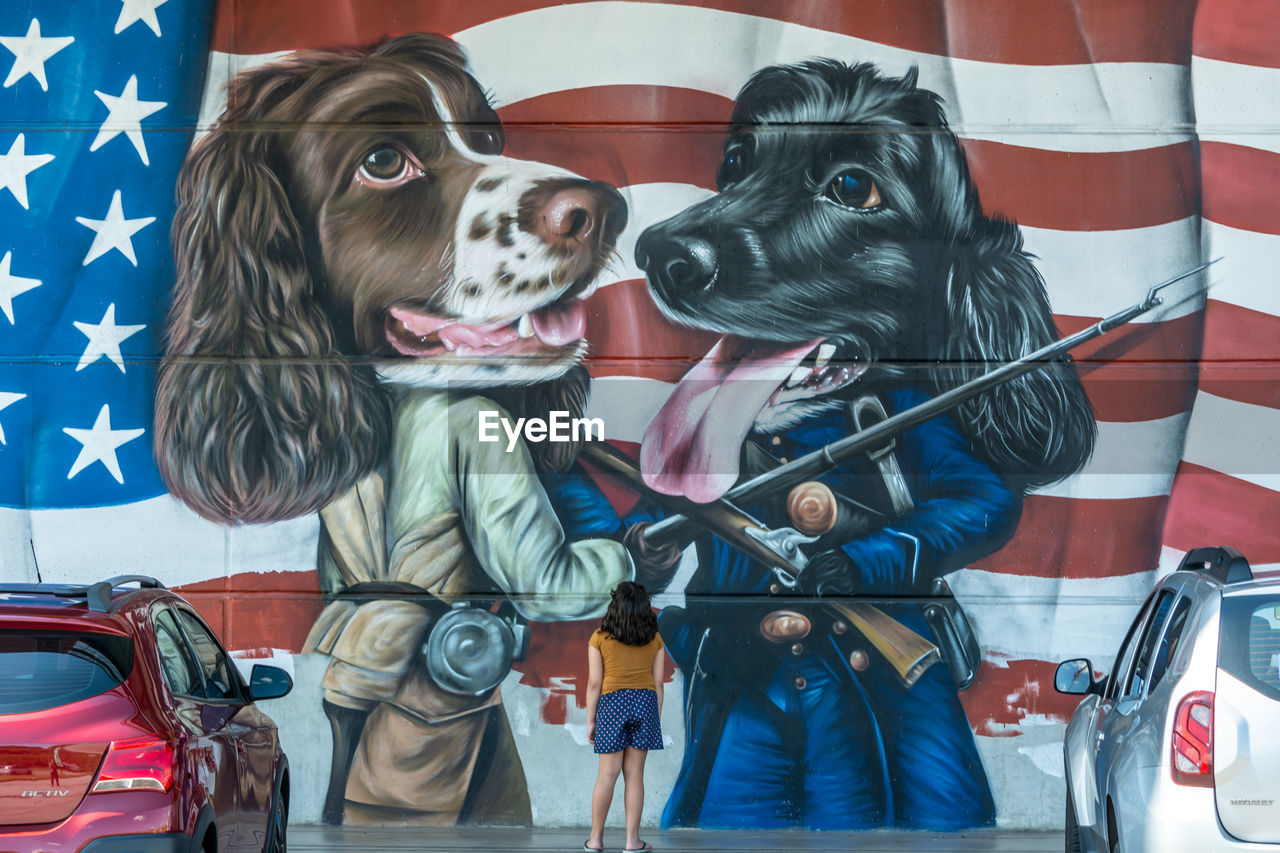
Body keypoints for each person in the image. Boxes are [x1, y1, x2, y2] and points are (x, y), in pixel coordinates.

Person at [585, 582, 665, 852]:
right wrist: (656, 718)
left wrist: (591, 720)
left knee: (607, 775)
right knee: (634, 776)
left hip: (611, 704)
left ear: (614, 607)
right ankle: (632, 842)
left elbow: (595, 683)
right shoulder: (654, 638)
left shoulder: (599, 638)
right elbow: (658, 684)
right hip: (644, 703)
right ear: (645, 610)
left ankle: (595, 840)